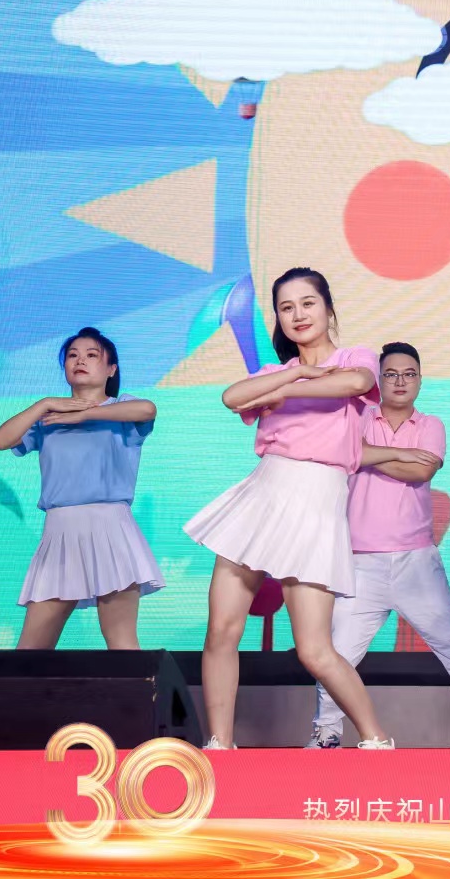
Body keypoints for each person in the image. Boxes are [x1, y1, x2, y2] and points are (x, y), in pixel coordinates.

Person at [184, 267, 394, 750]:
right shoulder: (275, 372)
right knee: (222, 630)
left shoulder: (353, 357)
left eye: (307, 303)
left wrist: (285, 390)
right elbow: (231, 397)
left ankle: (377, 739)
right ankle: (220, 743)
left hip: (317, 500)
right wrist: (294, 373)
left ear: (328, 308)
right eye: (286, 307)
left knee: (314, 650)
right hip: (263, 495)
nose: (298, 314)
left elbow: (356, 382)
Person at [304, 342, 450, 750]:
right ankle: (327, 731)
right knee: (336, 654)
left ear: (420, 380)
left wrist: (367, 455)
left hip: (416, 561)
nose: (400, 381)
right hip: (360, 562)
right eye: (391, 374)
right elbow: (349, 453)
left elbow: (421, 471)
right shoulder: (357, 416)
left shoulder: (431, 425)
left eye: (409, 374)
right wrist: (397, 453)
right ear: (378, 379)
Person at [0, 327, 163, 650]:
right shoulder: (49, 416)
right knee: (29, 652)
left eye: (91, 355)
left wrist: (85, 414)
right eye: (72, 355)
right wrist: (44, 404)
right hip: (60, 533)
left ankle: (137, 688)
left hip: (111, 529)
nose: (80, 360)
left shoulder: (122, 407)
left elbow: (148, 410)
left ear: (111, 369)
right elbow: (0, 441)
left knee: (122, 644)